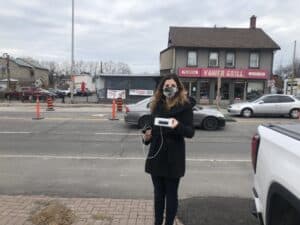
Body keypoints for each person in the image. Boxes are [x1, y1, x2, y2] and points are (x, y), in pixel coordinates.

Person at [143, 74, 195, 225]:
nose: (169, 88)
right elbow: (150, 126)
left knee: (171, 195)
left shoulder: (185, 107)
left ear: (178, 88)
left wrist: (177, 125)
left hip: (174, 158)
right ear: (161, 88)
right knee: (158, 195)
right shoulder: (156, 105)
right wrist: (146, 136)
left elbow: (190, 132)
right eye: (166, 86)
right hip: (157, 155)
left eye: (172, 85)